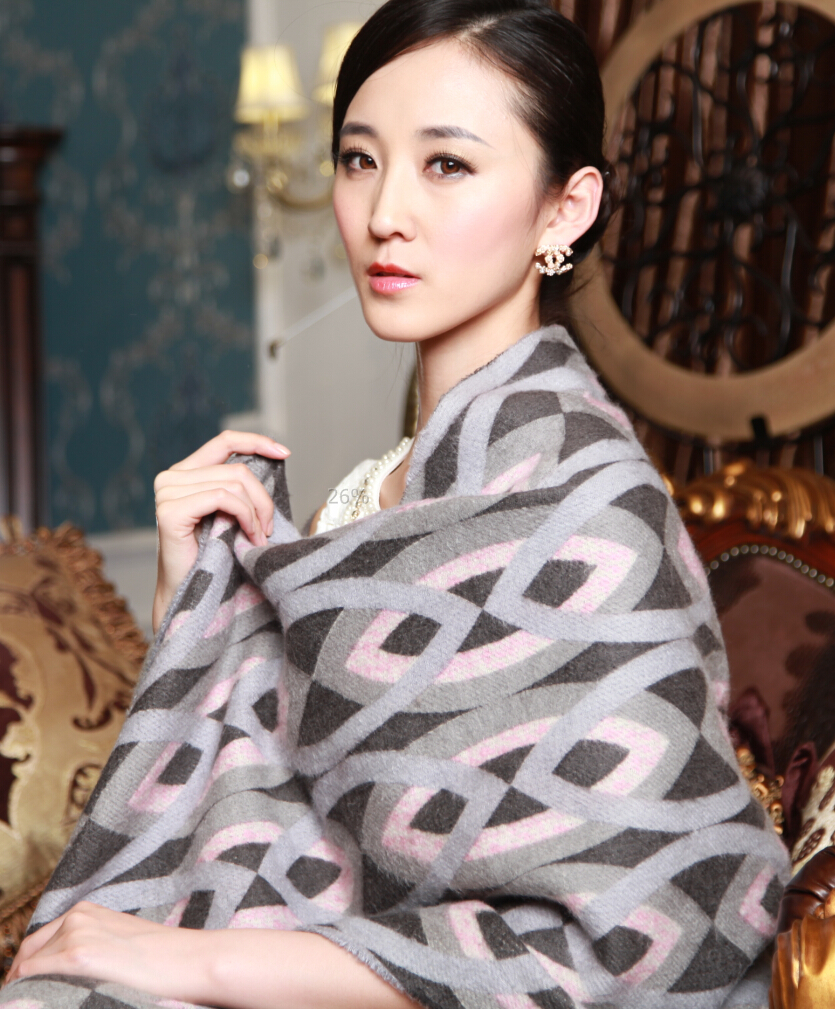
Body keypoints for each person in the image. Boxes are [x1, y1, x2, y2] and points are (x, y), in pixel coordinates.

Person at [3, 1, 790, 1008]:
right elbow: (293, 793)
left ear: (565, 209)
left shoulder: (588, 503)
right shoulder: (379, 486)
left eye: (446, 164)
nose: (384, 213)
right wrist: (192, 608)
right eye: (359, 160)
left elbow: (652, 928)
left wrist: (188, 959)